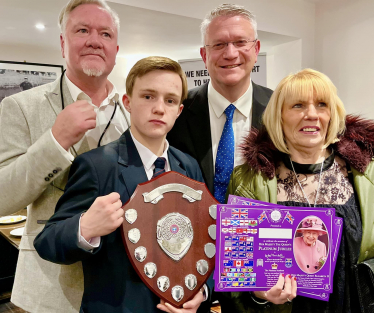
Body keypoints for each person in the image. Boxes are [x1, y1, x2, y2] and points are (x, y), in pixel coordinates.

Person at [34, 56, 208, 313]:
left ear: (178, 111)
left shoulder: (189, 166)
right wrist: (85, 227)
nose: (159, 108)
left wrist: (201, 291)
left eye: (170, 100)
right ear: (127, 102)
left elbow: (204, 241)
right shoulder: (96, 166)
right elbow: (47, 241)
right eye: (148, 96)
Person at [0, 1, 129, 312]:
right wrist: (55, 142)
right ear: (62, 43)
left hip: (121, 288)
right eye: (82, 30)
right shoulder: (20, 107)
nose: (95, 40)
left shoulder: (130, 112)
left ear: (115, 47)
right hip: (50, 289)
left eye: (105, 34)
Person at [225, 68, 374, 312]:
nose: (312, 115)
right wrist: (259, 292)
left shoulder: (367, 175)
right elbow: (236, 270)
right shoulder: (248, 180)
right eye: (298, 106)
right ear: (279, 116)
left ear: (332, 114)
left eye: (322, 104)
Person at [167, 4, 273, 204]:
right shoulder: (176, 111)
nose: (231, 53)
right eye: (218, 44)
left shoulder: (279, 109)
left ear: (256, 49)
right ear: (204, 55)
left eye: (240, 42)